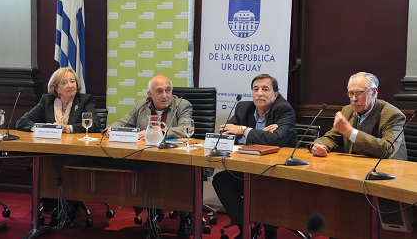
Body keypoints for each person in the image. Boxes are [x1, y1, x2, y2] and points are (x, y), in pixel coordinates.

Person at [212, 74, 298, 239]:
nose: (259, 93)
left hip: (277, 172)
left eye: (265, 89)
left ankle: (270, 230)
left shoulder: (284, 109)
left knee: (267, 189)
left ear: (276, 94)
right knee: (221, 181)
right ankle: (245, 228)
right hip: (250, 168)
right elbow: (226, 133)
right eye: (255, 89)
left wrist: (244, 131)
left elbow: (277, 140)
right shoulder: (243, 108)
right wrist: (259, 135)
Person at [109, 75, 193, 237]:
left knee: (180, 174)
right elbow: (120, 123)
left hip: (175, 158)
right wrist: (112, 130)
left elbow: (185, 129)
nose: (165, 95)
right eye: (159, 91)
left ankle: (185, 216)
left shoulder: (182, 105)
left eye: (168, 91)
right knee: (137, 172)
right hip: (148, 158)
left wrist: (159, 132)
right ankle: (153, 211)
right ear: (150, 94)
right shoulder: (142, 106)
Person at [311, 72, 407, 160]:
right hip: (355, 167)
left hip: (387, 172)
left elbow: (388, 150)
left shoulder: (392, 114)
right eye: (351, 93)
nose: (353, 99)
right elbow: (332, 138)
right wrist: (318, 146)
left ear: (373, 92)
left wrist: (350, 131)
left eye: (359, 93)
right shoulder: (347, 110)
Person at [16, 67, 100, 133]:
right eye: (64, 83)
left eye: (72, 81)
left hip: (75, 148)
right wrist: (44, 128)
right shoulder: (47, 101)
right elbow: (22, 122)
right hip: (51, 146)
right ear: (56, 88)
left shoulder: (85, 100)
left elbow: (95, 125)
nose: (70, 85)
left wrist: (67, 128)